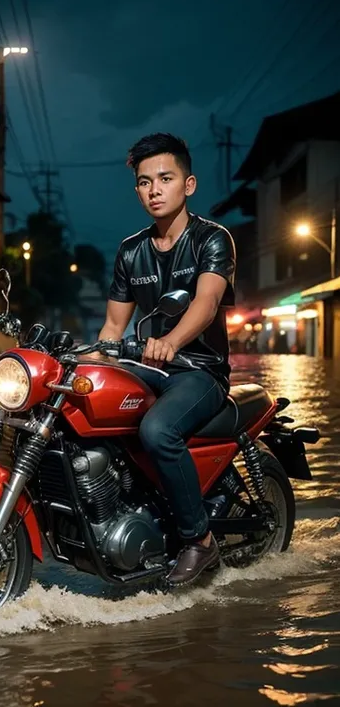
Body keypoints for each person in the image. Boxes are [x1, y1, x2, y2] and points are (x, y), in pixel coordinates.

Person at [97, 132, 236, 585]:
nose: (153, 189)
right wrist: (88, 363)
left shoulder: (212, 239)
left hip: (200, 373)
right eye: (143, 182)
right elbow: (114, 329)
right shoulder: (130, 250)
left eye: (165, 178)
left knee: (157, 429)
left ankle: (200, 541)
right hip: (148, 367)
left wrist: (172, 341)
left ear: (188, 185)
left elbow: (206, 303)